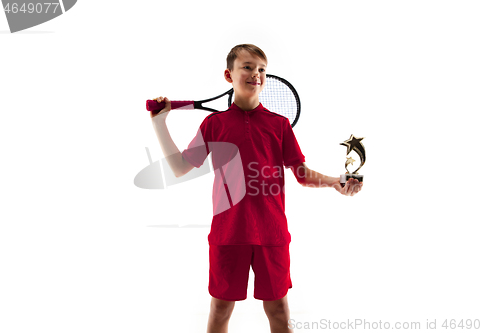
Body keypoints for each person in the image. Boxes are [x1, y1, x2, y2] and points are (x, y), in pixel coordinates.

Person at [150, 44, 362, 333]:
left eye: (262, 69)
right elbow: (179, 168)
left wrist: (335, 182)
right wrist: (160, 123)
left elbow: (301, 173)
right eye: (247, 67)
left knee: (278, 309)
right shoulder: (214, 124)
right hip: (228, 234)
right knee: (220, 309)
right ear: (229, 75)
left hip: (272, 235)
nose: (256, 74)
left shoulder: (279, 124)